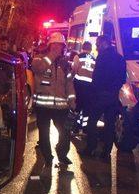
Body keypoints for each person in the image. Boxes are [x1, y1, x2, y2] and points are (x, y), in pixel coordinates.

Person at [31, 32, 76, 176]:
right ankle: (48, 157)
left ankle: (62, 153)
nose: (59, 47)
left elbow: (69, 83)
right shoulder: (39, 58)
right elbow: (38, 69)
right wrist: (52, 56)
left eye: (61, 45)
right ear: (50, 45)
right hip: (43, 106)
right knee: (43, 133)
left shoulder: (64, 63)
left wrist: (72, 99)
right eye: (56, 45)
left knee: (65, 133)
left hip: (61, 107)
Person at [82, 35, 126, 159]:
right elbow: (122, 78)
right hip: (113, 97)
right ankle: (106, 152)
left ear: (103, 43)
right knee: (109, 124)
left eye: (97, 44)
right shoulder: (120, 58)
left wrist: (94, 92)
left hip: (100, 96)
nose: (96, 46)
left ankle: (91, 147)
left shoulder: (102, 58)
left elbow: (97, 77)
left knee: (92, 122)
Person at [71, 41, 96, 131]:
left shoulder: (78, 56)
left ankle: (75, 126)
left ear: (82, 48)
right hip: (89, 86)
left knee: (78, 105)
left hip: (79, 85)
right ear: (90, 49)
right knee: (86, 107)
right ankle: (85, 127)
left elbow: (74, 69)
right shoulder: (94, 59)